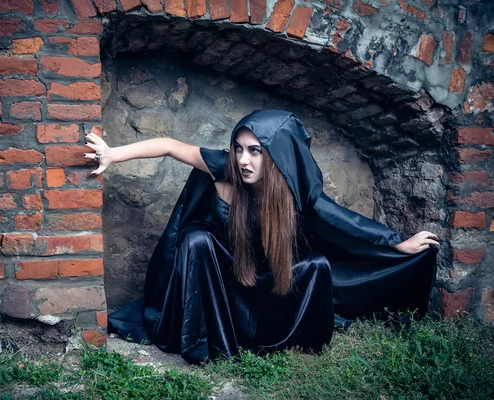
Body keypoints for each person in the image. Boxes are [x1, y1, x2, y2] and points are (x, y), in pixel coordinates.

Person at [83, 110, 439, 364]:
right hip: (216, 272)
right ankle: (201, 339)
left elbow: (346, 222)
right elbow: (171, 145)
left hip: (263, 277)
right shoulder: (224, 167)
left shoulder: (295, 190)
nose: (243, 159)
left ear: (276, 155)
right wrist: (115, 154)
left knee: (317, 265)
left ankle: (286, 336)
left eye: (255, 151)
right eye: (239, 148)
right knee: (195, 238)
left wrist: (396, 242)